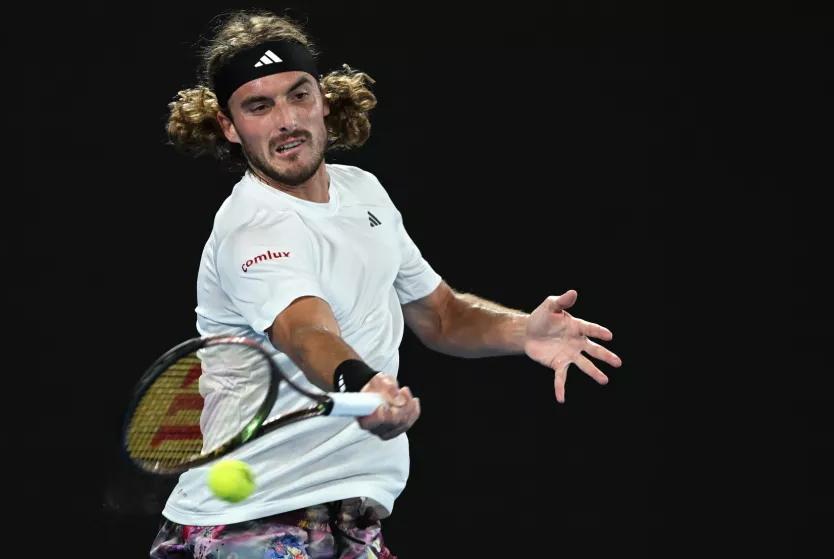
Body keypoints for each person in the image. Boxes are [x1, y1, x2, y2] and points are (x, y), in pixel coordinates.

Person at [151, 9, 622, 558]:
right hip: (250, 524)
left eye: (298, 94)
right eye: (259, 105)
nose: (286, 120)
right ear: (230, 127)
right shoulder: (250, 229)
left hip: (350, 516)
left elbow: (442, 315)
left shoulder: (364, 193)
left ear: (323, 100)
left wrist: (522, 331)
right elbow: (305, 332)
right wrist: (363, 382)